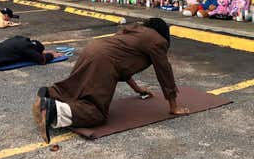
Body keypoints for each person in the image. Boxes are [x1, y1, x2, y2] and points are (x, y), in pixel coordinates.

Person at [32, 18, 189, 143]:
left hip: (92, 50)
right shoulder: (157, 40)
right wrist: (173, 106)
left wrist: (138, 89)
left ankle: (49, 93)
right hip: (105, 62)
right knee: (96, 113)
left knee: (74, 88)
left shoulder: (134, 32)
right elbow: (164, 72)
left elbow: (124, 66)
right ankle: (53, 111)